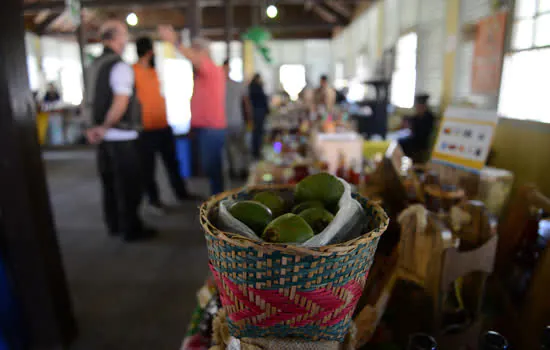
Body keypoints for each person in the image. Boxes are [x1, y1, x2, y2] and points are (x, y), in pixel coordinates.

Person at [85, 20, 154, 242]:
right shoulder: (120, 66)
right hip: (121, 136)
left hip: (102, 138)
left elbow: (90, 101)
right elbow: (121, 102)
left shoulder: (94, 65)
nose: (126, 40)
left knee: (109, 185)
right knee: (129, 186)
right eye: (124, 35)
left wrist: (93, 129)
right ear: (115, 38)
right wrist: (105, 127)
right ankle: (131, 229)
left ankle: (114, 225)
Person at [158, 25, 226, 195]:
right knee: (211, 168)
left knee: (213, 168)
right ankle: (217, 200)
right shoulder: (204, 72)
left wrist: (175, 42)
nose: (191, 54)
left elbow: (194, 58)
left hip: (211, 128)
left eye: (195, 51)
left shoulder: (210, 68)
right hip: (205, 127)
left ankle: (219, 203)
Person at [133, 36, 193, 214]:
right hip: (145, 129)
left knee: (172, 163)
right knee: (148, 169)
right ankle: (154, 201)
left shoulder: (153, 71)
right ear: (149, 51)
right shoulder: (133, 71)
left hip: (163, 125)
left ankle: (181, 193)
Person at [223, 59, 252, 180]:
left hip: (237, 121)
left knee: (241, 148)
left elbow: (246, 103)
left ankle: (243, 170)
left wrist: (249, 119)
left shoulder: (237, 85)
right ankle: (234, 171)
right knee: (231, 150)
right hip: (224, 123)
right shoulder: (218, 86)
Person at [398, 93, 436, 159]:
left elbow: (422, 133)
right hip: (414, 139)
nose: (418, 108)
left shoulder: (429, 117)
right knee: (399, 141)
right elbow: (410, 120)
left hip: (421, 142)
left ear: (424, 106)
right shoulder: (417, 116)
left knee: (402, 144)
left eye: (419, 106)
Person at [248, 73, 269, 160]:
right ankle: (257, 152)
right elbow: (263, 99)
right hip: (259, 112)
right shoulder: (257, 87)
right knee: (258, 132)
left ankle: (255, 151)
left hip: (256, 112)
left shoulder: (251, 87)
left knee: (256, 132)